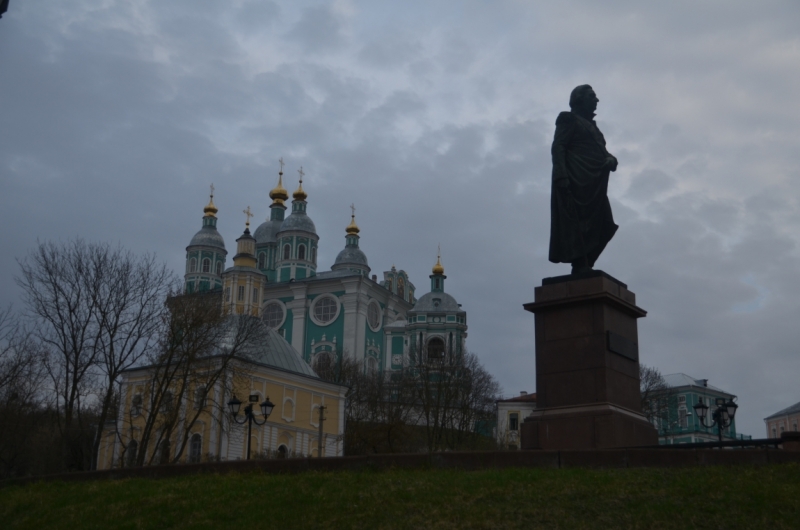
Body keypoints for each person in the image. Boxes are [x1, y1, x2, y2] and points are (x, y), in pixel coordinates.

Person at [549, 84, 618, 274]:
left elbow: (604, 152)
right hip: (576, 179)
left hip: (595, 182)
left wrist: (611, 159)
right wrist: (561, 174)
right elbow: (558, 146)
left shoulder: (594, 128)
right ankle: (580, 265)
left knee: (605, 225)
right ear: (579, 99)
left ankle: (586, 264)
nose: (596, 100)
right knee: (578, 222)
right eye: (592, 96)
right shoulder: (568, 119)